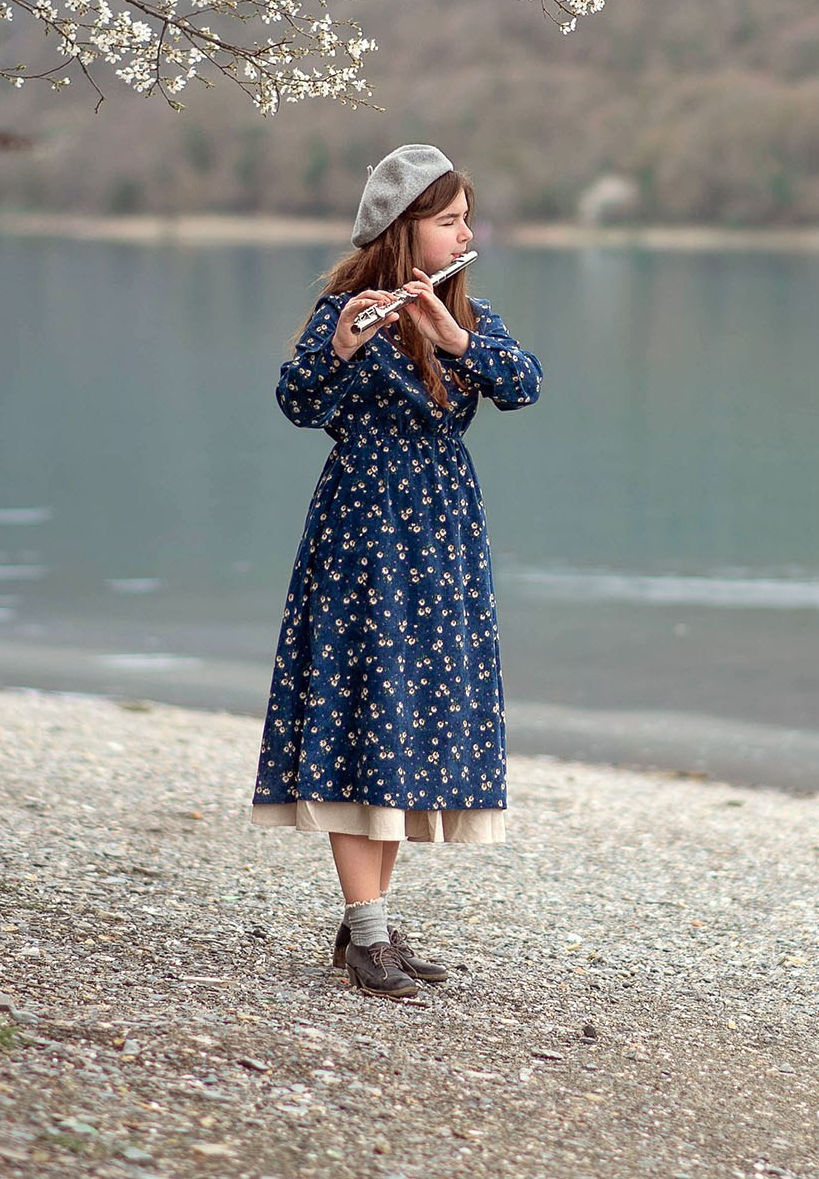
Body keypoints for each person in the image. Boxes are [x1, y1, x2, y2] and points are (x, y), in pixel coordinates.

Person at [250, 144, 543, 1000]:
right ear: (401, 230)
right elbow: (297, 402)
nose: (464, 233)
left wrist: (454, 337)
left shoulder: (468, 318)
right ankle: (369, 935)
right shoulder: (345, 310)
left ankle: (367, 923)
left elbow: (524, 385)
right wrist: (340, 346)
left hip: (443, 532)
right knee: (363, 706)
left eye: (463, 221)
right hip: (363, 529)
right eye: (448, 221)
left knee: (407, 711)